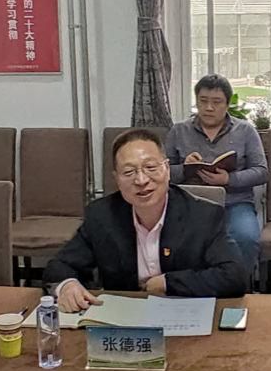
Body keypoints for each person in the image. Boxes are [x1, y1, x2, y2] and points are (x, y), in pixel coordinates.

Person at [45, 128, 247, 312]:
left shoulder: (203, 216)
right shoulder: (102, 216)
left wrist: (168, 283)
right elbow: (60, 265)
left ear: (167, 170)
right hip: (124, 321)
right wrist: (67, 285)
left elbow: (234, 276)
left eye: (150, 167)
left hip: (183, 316)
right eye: (129, 172)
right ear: (117, 179)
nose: (141, 180)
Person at [165, 74, 268, 270]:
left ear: (228, 104)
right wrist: (185, 169)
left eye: (216, 102)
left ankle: (237, 285)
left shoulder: (245, 131)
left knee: (246, 238)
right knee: (179, 242)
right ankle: (190, 286)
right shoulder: (178, 131)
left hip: (235, 203)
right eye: (203, 101)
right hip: (190, 203)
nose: (209, 107)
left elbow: (261, 172)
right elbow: (162, 172)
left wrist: (229, 179)